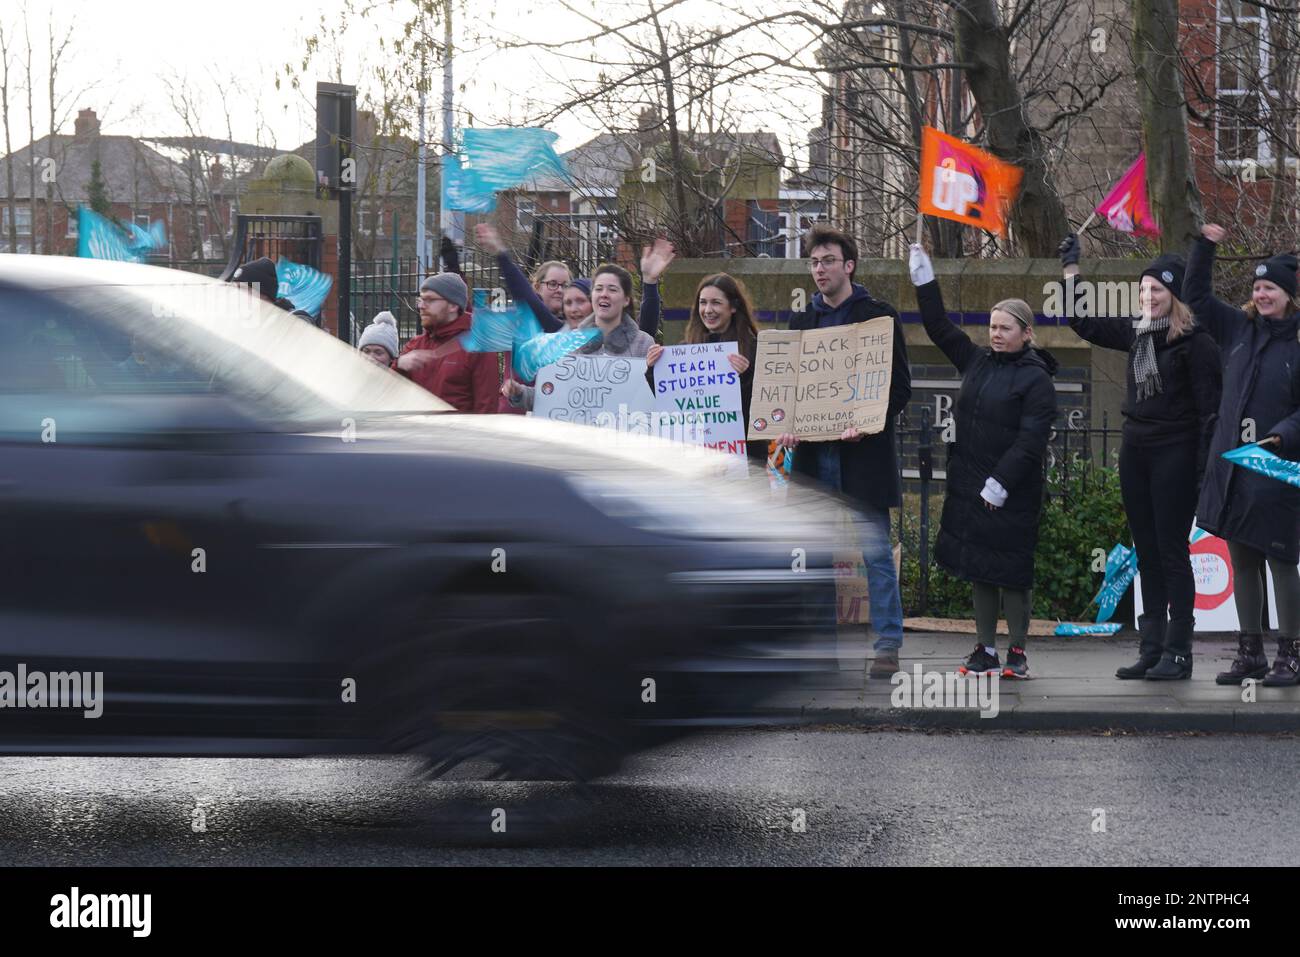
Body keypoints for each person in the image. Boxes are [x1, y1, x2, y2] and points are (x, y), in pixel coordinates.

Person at [1058, 237, 1222, 679]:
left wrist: (1203, 472)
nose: (1149, 297)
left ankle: (1179, 650)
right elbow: (1083, 322)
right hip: (1136, 447)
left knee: (1171, 551)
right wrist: (1072, 269)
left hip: (1176, 450)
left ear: (1176, 296)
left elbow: (1210, 413)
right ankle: (1151, 647)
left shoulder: (1195, 343)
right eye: (1145, 289)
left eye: (1158, 290)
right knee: (1145, 551)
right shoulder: (1137, 331)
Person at [910, 243, 1057, 679]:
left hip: (1011, 489)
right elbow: (938, 327)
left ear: (1026, 333)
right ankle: (985, 650)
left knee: (1011, 571)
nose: (996, 334)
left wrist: (1001, 483)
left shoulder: (1037, 379)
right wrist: (924, 280)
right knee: (980, 569)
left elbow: (1031, 440)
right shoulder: (976, 362)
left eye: (1006, 328)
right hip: (972, 482)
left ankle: (1017, 652)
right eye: (993, 326)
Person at [776, 224, 912, 678]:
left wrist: (867, 424)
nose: (819, 269)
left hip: (862, 456)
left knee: (875, 553)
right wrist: (789, 426)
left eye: (828, 261)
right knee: (815, 557)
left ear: (848, 265)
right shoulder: (801, 323)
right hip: (816, 458)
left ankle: (887, 647)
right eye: (814, 262)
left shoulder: (879, 316)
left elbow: (900, 388)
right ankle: (821, 651)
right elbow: (788, 394)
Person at [1184, 223, 1300, 687]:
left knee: (1281, 559)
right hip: (1234, 467)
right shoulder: (1238, 328)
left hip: (1277, 469)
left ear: (1289, 294)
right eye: (1257, 287)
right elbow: (1194, 294)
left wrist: (1282, 435)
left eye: (1270, 286)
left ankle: (1290, 654)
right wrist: (1205, 246)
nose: (1262, 293)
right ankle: (1249, 651)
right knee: (1243, 561)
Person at [645, 272, 766, 462]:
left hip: (746, 464)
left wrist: (745, 377)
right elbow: (672, 406)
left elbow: (764, 410)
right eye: (703, 302)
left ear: (733, 307)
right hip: (697, 462)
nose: (708, 310)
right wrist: (654, 370)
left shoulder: (755, 349)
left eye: (716, 302)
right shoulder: (684, 351)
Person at [503, 262, 655, 411]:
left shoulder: (643, 343)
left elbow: (655, 399)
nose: (604, 294)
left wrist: (653, 371)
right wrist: (520, 393)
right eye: (599, 289)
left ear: (626, 300)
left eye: (612, 290)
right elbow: (552, 395)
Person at [474, 223, 673, 335]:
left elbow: (646, 329)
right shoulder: (565, 337)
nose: (574, 308)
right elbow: (530, 301)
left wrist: (649, 281)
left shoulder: (633, 339)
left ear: (625, 300)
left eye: (611, 290)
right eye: (569, 302)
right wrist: (501, 254)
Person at [394, 272, 500, 414]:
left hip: (457, 434)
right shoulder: (415, 345)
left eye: (430, 300)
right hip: (415, 434)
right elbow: (386, 396)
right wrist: (399, 365)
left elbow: (487, 407)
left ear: (453, 306)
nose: (421, 306)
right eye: (421, 300)